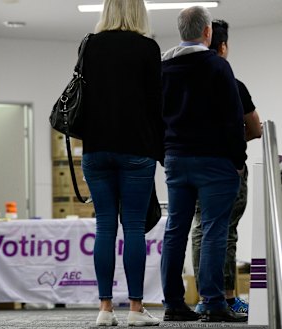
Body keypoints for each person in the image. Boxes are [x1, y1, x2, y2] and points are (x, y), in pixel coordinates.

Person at [160, 6, 247, 323]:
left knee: (175, 231)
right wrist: (238, 161)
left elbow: (157, 117)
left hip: (176, 159)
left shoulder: (164, 67)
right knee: (213, 231)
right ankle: (212, 302)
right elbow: (233, 118)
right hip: (214, 162)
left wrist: (165, 153)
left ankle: (173, 302)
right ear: (208, 33)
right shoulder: (216, 66)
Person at [78, 0, 163, 326]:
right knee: (134, 229)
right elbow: (156, 104)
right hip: (135, 150)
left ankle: (104, 309)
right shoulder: (147, 47)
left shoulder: (90, 45)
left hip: (95, 150)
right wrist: (161, 151)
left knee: (104, 227)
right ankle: (135, 309)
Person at [191, 19, 262, 315]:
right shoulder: (233, 84)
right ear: (222, 47)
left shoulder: (185, 83)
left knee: (200, 231)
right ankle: (228, 298)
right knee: (225, 231)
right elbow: (256, 128)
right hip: (227, 169)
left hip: (192, 167)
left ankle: (204, 298)